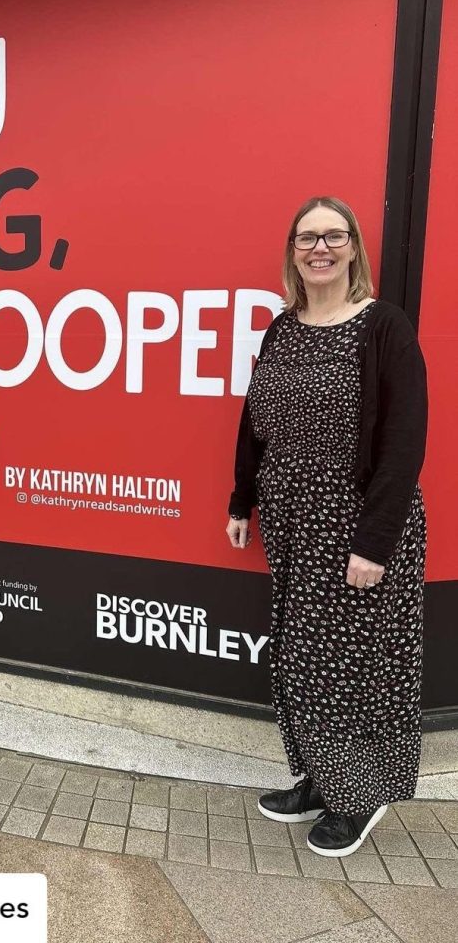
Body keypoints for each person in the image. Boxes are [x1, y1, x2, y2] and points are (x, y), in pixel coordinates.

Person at [226, 196, 427, 858]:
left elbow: (402, 439)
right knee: (301, 657)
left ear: (352, 248)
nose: (319, 247)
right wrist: (239, 500)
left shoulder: (383, 326)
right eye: (306, 236)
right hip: (291, 522)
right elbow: (254, 421)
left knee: (351, 664)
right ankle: (320, 776)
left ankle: (359, 794)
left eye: (332, 235)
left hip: (357, 526)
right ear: (292, 250)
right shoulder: (280, 330)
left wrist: (374, 542)